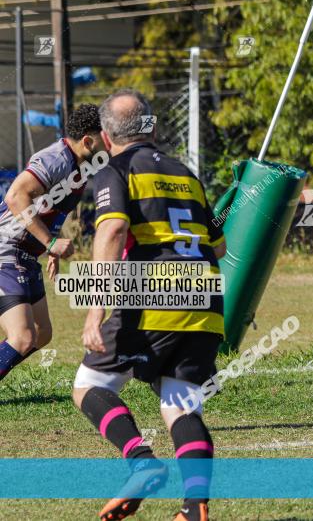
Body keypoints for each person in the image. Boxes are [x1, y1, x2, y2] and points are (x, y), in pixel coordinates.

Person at [71, 90, 225, 521]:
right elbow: (221, 242)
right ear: (154, 128)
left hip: (155, 293)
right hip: (206, 297)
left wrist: (95, 309)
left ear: (104, 136)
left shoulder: (116, 170)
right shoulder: (186, 174)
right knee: (180, 403)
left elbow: (113, 231)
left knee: (90, 385)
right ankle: (194, 509)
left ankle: (141, 462)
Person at [0, 104, 105, 383]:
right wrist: (49, 241)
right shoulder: (57, 158)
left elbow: (46, 207)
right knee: (23, 337)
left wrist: (50, 247)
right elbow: (15, 197)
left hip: (25, 253)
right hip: (6, 249)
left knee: (41, 332)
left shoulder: (81, 166)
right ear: (88, 140)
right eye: (106, 137)